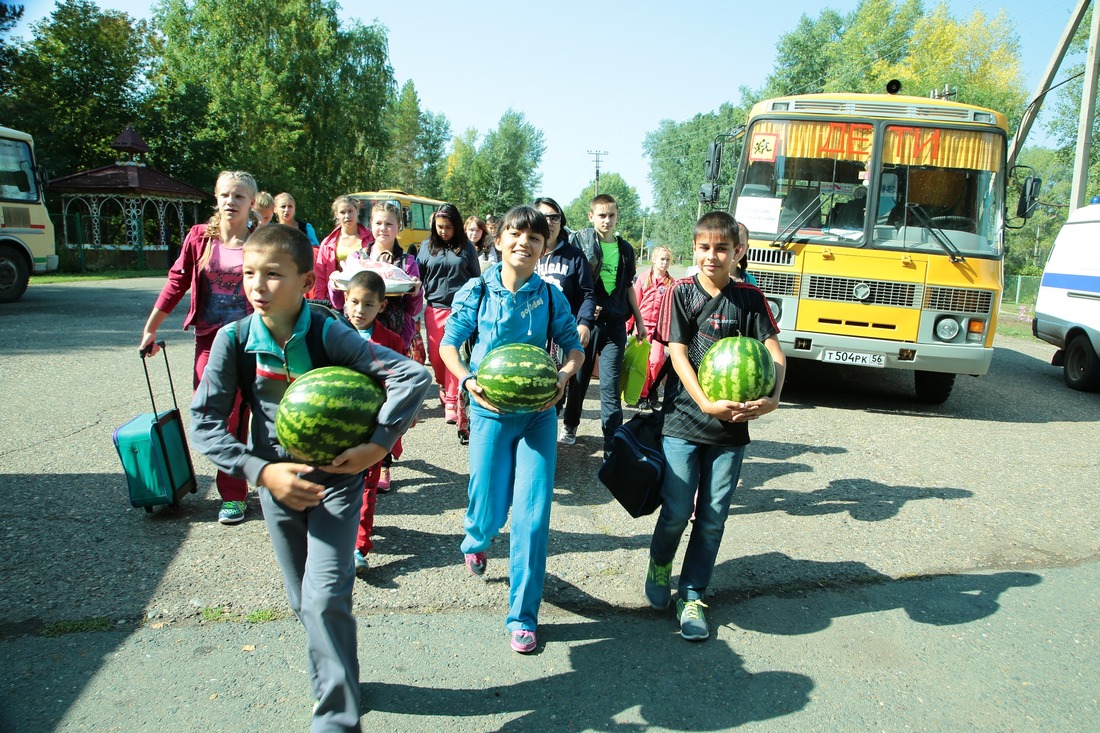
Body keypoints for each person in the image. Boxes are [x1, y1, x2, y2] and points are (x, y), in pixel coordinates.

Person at [190, 224, 431, 730]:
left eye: (273, 274)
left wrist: (377, 445)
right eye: (249, 273)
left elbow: (413, 374)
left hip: (338, 480)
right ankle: (342, 679)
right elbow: (206, 424)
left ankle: (336, 720)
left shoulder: (328, 332)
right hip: (277, 482)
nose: (257, 285)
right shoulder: (234, 341)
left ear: (306, 282)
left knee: (324, 596)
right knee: (305, 600)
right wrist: (261, 473)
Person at [439, 205, 584, 654]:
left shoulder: (551, 295)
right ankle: (477, 539)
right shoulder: (476, 290)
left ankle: (523, 615)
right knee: (486, 502)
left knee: (532, 516)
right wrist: (467, 380)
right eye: (515, 234)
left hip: (539, 415)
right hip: (488, 411)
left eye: (535, 238)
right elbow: (448, 345)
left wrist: (562, 379)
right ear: (498, 239)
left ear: (544, 248)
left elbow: (573, 348)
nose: (524, 242)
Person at [645, 211, 785, 642]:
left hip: (731, 429)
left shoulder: (750, 298)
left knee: (712, 517)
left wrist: (774, 396)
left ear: (738, 251)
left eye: (722, 248)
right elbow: (678, 353)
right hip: (685, 419)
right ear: (694, 250)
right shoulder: (681, 293)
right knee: (675, 511)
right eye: (704, 248)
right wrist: (706, 401)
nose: (712, 256)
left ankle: (692, 594)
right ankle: (660, 563)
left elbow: (775, 355)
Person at [140, 170, 257, 525]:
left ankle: (235, 494)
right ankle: (238, 481)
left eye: (238, 196)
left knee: (246, 416)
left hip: (252, 340)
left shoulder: (262, 240)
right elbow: (176, 283)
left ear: (252, 202)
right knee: (215, 415)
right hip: (210, 341)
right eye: (224, 195)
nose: (230, 202)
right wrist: (150, 329)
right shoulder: (198, 239)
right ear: (216, 198)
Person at [561, 194, 646, 455]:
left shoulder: (626, 249)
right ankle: (571, 425)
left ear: (617, 216)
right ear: (591, 217)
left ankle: (612, 441)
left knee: (610, 387)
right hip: (588, 325)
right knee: (579, 380)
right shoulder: (580, 245)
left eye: (611, 215)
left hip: (616, 325)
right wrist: (582, 310)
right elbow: (573, 284)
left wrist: (639, 320)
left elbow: (629, 286)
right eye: (601, 215)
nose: (606, 220)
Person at [349, 202, 424, 491]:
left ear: (398, 228)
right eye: (379, 223)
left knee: (390, 400)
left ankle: (384, 463)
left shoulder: (407, 262)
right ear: (371, 225)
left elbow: (412, 306)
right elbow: (344, 291)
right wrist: (333, 284)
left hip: (393, 337)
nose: (384, 228)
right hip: (359, 337)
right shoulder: (358, 258)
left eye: (389, 224)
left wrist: (416, 291)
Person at [342, 270, 406, 576]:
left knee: (366, 486)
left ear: (381, 306)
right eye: (354, 302)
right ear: (345, 300)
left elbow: (404, 383)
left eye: (368, 305)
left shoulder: (391, 341)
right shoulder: (331, 332)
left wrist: (403, 417)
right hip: (334, 426)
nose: (359, 310)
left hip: (371, 427)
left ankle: (358, 545)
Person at [416, 202, 480, 428]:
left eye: (448, 227)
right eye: (440, 226)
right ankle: (443, 386)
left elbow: (476, 277)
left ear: (457, 226)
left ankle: (452, 401)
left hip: (460, 310)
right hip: (434, 309)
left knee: (453, 353)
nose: (444, 231)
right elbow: (418, 276)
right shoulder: (426, 246)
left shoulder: (466, 247)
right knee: (435, 357)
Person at [532, 196, 596, 365]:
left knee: (556, 384)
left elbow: (587, 295)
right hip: (530, 331)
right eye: (543, 217)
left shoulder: (574, 256)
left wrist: (584, 323)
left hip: (562, 333)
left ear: (561, 222)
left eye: (555, 217)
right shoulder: (526, 253)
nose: (549, 222)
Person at [312, 195, 374, 309]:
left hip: (365, 295)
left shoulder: (371, 238)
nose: (347, 216)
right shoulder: (327, 243)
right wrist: (319, 301)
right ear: (336, 215)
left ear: (357, 211)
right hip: (337, 299)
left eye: (350, 211)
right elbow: (320, 275)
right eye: (342, 212)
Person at [632, 246, 674, 411]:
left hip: (660, 330)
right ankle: (642, 395)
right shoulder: (643, 279)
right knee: (642, 363)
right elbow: (634, 303)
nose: (664, 262)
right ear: (654, 259)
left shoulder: (672, 283)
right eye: (661, 259)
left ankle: (652, 390)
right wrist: (629, 326)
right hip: (641, 328)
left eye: (667, 259)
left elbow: (673, 309)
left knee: (656, 361)